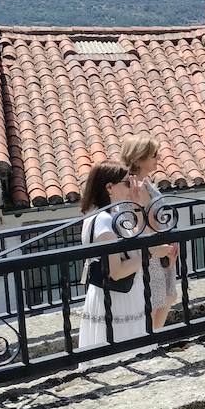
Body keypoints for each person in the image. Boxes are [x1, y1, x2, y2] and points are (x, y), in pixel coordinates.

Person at [77, 163, 151, 349]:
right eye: (127, 183)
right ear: (109, 187)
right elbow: (115, 271)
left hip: (119, 296)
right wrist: (147, 256)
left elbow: (139, 238)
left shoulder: (111, 214)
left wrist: (138, 206)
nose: (132, 186)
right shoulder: (103, 221)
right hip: (117, 300)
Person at [119, 135, 180, 331]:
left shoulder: (147, 185)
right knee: (152, 304)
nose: (158, 158)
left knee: (168, 297)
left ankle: (155, 342)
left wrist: (172, 242)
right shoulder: (126, 189)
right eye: (153, 155)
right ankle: (150, 347)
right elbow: (128, 226)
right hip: (147, 252)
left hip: (162, 251)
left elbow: (161, 216)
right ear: (137, 159)